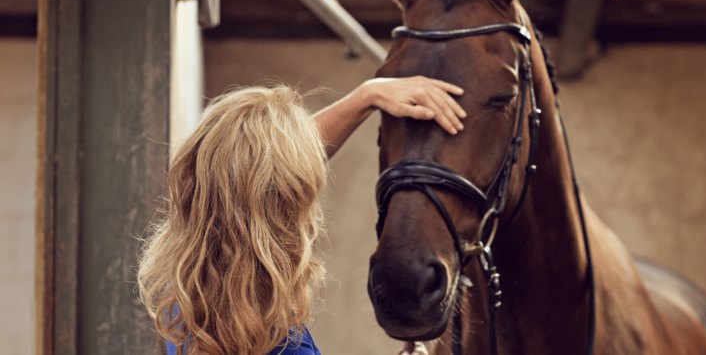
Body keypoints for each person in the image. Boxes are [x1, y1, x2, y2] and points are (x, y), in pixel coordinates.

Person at [137, 77, 466, 355]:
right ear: (279, 214)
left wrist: (367, 96)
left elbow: (249, 166)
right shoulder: (277, 342)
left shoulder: (186, 292)